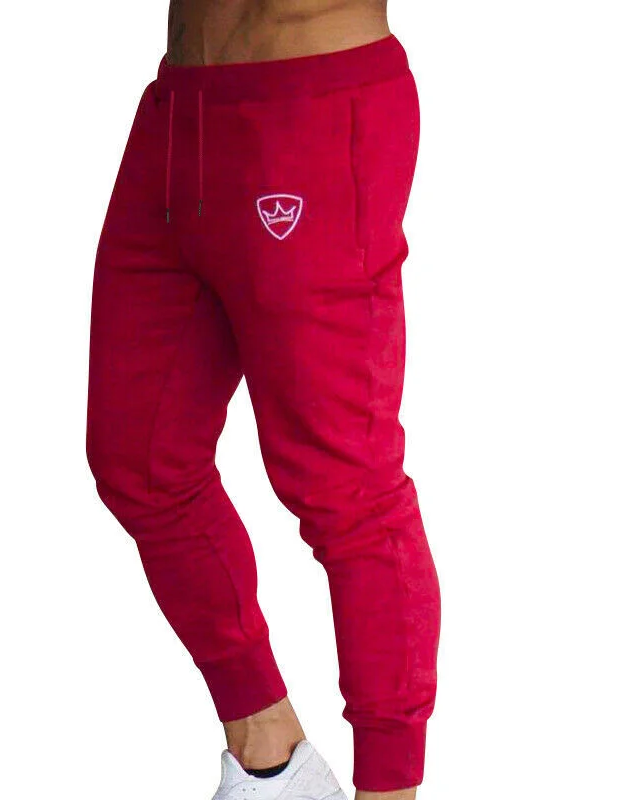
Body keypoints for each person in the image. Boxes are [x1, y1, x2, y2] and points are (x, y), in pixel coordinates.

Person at [86, 3, 441, 799]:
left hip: (312, 108)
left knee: (347, 491)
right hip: (179, 115)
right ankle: (273, 762)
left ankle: (390, 791)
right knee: (139, 459)